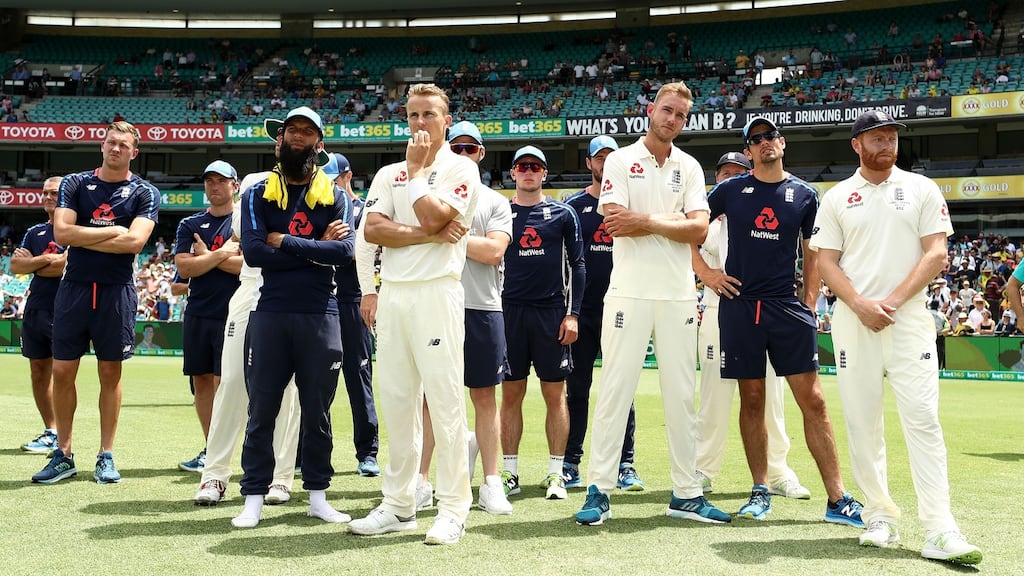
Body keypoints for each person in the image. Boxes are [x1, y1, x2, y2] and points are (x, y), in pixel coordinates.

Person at [811, 110, 982, 564]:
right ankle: (879, 515)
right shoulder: (838, 197)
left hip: (907, 322)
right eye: (877, 137)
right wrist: (862, 305)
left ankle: (940, 528)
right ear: (856, 144)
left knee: (923, 420)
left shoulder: (922, 188)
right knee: (863, 423)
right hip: (854, 321)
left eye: (891, 137)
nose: (887, 144)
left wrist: (891, 302)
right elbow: (825, 262)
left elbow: (937, 253)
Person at [576, 82, 729, 527]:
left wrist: (645, 219)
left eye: (680, 115)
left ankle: (686, 494)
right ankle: (599, 489)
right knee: (615, 393)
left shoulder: (690, 166)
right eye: (666, 110)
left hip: (680, 293)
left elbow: (699, 231)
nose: (672, 120)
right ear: (650, 110)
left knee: (682, 396)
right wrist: (675, 222)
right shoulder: (621, 160)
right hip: (629, 291)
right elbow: (614, 223)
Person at [705, 117, 864, 526]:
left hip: (785, 306)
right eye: (755, 140)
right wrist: (707, 275)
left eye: (769, 136)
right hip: (740, 306)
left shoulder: (805, 194)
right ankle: (760, 490)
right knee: (752, 399)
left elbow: (814, 252)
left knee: (813, 400)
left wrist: (810, 300)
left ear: (783, 142)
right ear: (748, 151)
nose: (764, 143)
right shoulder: (729, 190)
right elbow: (691, 229)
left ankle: (837, 498)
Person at [347, 83, 478, 546]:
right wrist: (429, 234)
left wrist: (420, 174)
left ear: (446, 119)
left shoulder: (461, 167)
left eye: (429, 114)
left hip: (438, 291)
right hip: (395, 294)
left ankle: (453, 508)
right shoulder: (387, 173)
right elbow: (375, 229)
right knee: (398, 402)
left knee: (444, 401)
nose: (420, 123)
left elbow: (432, 215)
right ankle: (399, 504)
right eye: (413, 115)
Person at [234, 106, 355, 528]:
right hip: (271, 312)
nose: (299, 137)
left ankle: (318, 496)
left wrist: (284, 240)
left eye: (308, 131)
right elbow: (252, 252)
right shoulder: (256, 193)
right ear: (279, 139)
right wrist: (312, 247)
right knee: (261, 408)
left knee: (318, 411)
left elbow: (344, 253)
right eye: (292, 131)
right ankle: (252, 498)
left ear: (319, 143)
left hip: (320, 315)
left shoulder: (336, 196)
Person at [32, 121, 160, 485]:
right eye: (111, 142)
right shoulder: (74, 183)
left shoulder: (145, 192)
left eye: (123, 145)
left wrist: (87, 236)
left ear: (134, 152)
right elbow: (61, 232)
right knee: (61, 371)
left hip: (116, 290)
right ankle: (64, 454)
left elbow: (135, 242)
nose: (115, 148)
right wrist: (114, 232)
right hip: (73, 288)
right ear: (102, 146)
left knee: (110, 373)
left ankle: (105, 455)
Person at [193, 124, 304, 507]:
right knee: (234, 385)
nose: (286, 142)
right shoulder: (255, 183)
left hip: (295, 293)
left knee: (288, 391)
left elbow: (326, 242)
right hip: (252, 290)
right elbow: (251, 238)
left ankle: (280, 477)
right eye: (282, 136)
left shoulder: (321, 187)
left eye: (296, 136)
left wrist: (289, 243)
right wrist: (296, 244)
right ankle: (215, 475)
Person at [692, 152, 811, 499]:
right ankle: (702, 469)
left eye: (737, 174)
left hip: (767, 309)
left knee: (771, 395)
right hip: (719, 309)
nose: (730, 180)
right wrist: (707, 275)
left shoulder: (759, 210)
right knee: (714, 395)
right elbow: (687, 246)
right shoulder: (709, 220)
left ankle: (777, 472)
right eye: (724, 174)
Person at [417, 121, 514, 515]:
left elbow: (494, 252)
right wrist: (436, 230)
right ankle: (421, 482)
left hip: (482, 307)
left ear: (481, 154)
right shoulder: (428, 196)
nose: (463, 155)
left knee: (485, 396)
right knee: (429, 399)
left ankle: (492, 483)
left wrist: (445, 233)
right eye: (456, 147)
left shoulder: (495, 201)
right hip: (436, 304)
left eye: (470, 149)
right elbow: (414, 235)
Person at [500, 144, 584, 502]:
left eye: (536, 166)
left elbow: (578, 266)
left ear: (545, 174)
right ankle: (509, 472)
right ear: (513, 173)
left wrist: (573, 314)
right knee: (510, 394)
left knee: (555, 395)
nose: (529, 171)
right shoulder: (501, 213)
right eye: (523, 166)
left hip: (551, 315)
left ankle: (555, 473)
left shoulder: (562, 214)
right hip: (509, 314)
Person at [563, 135, 645, 492]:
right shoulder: (573, 207)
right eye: (600, 157)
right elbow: (563, 266)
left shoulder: (631, 205)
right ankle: (570, 461)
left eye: (612, 157)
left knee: (622, 390)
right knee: (577, 389)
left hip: (623, 309)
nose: (605, 162)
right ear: (590, 164)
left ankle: (625, 464)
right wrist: (568, 312)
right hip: (582, 313)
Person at [173, 160, 243, 473]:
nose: (214, 186)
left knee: (228, 384)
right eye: (209, 181)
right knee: (201, 383)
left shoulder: (245, 221)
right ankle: (211, 450)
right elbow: (185, 269)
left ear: (234, 186)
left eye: (221, 181)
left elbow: (248, 267)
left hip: (236, 314)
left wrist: (205, 257)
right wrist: (222, 254)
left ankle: (232, 452)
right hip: (199, 314)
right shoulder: (189, 224)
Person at [321, 152, 382, 478]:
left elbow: (360, 252)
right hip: (319, 301)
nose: (328, 185)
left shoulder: (363, 210)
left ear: (347, 176)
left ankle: (367, 452)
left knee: (359, 378)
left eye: (332, 178)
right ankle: (311, 452)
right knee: (316, 380)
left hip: (353, 301)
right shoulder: (319, 207)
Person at [13, 176, 67, 454]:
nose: (48, 196)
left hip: (63, 308)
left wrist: (33, 263)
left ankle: (64, 436)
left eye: (54, 192)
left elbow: (63, 268)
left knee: (61, 372)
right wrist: (45, 260)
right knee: (38, 372)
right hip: (35, 308)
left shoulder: (73, 230)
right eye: (45, 192)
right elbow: (15, 265)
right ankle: (51, 430)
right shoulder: (34, 232)